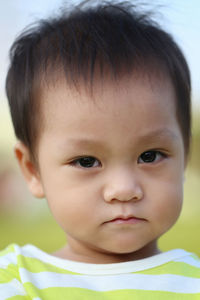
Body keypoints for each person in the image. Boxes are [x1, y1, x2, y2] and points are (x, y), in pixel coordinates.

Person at [1, 1, 199, 298]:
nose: (123, 189)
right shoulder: (17, 279)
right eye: (86, 161)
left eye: (150, 156)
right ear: (32, 170)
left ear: (184, 154)